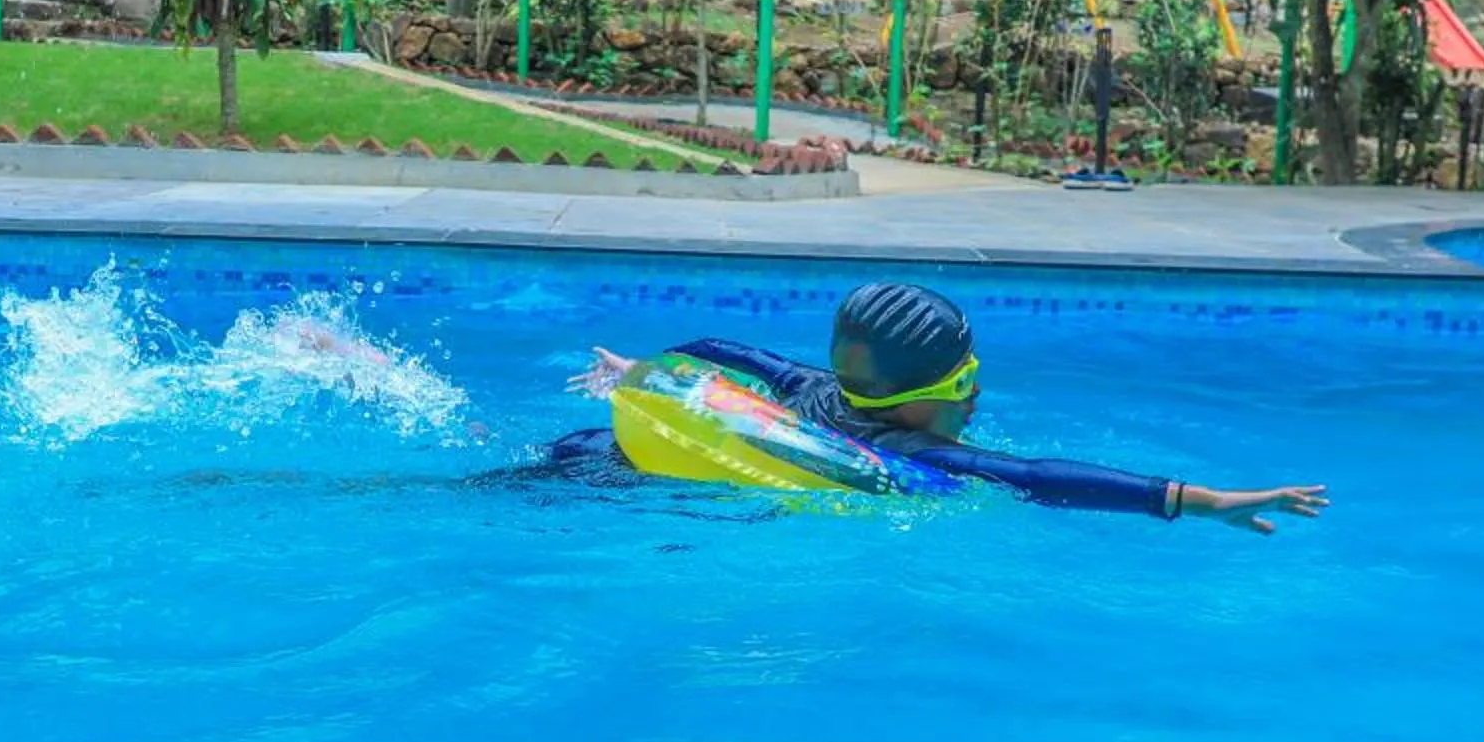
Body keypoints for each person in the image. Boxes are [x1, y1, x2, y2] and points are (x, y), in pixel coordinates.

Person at [549, 280, 1330, 529]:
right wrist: (1206, 501)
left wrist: (642, 368)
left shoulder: (809, 388)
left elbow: (729, 350)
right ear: (920, 399)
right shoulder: (918, 455)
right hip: (649, 487)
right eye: (964, 383)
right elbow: (1043, 476)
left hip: (607, 451)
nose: (978, 394)